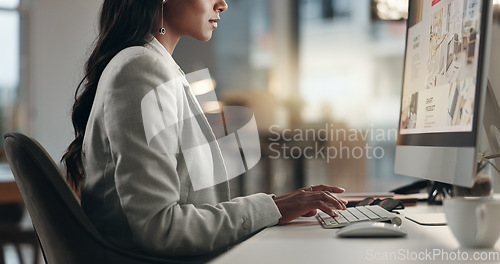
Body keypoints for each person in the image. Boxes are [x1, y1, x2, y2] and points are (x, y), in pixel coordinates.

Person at [62, 0, 347, 259]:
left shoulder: (156, 66)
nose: (222, 5)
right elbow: (161, 228)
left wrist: (275, 205)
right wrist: (272, 208)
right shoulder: (140, 68)